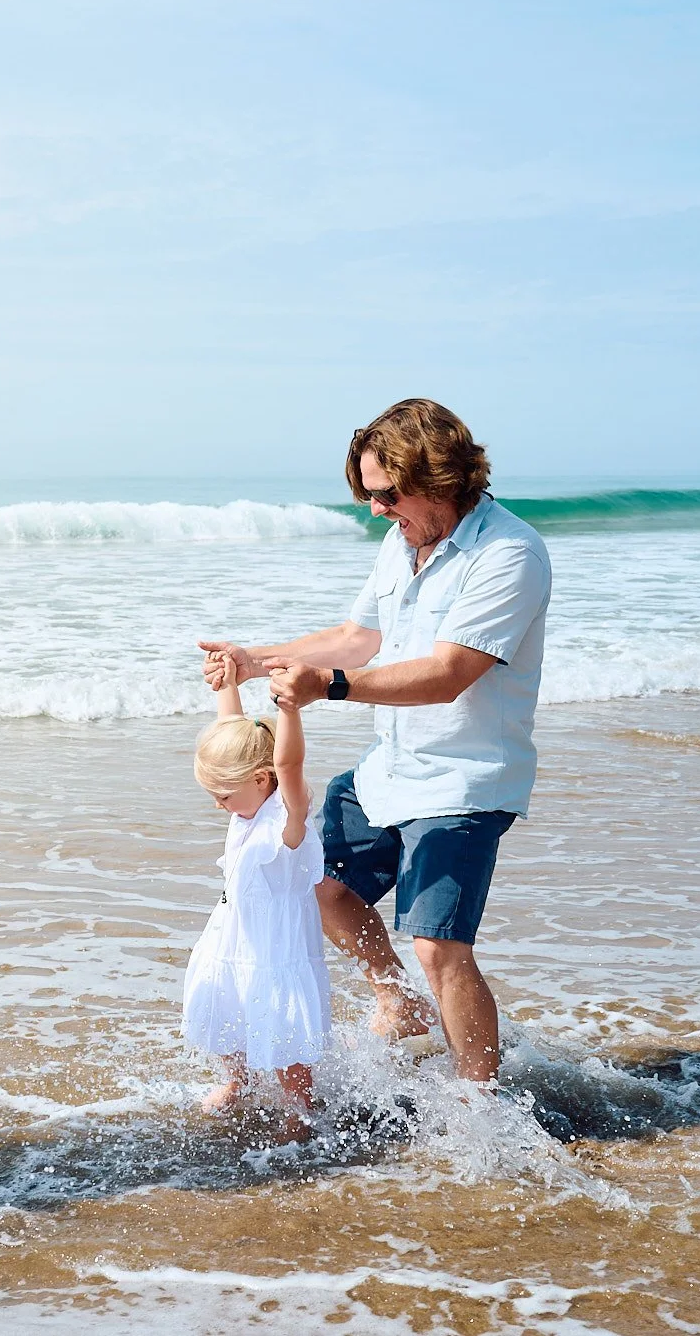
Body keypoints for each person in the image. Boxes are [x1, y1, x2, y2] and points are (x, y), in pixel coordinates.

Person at [199, 399, 549, 1084]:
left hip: (464, 777)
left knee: (440, 946)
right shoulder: (402, 542)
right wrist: (254, 659)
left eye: (386, 494)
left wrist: (329, 686)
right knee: (322, 885)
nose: (375, 510)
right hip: (390, 766)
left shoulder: (510, 553)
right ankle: (399, 1000)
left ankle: (482, 1106)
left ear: (439, 475)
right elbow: (359, 636)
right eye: (367, 494)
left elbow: (450, 674)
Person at [180, 650, 331, 1134]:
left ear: (262, 780)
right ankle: (237, 1080)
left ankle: (301, 1105)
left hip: (276, 944)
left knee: (282, 1025)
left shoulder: (286, 821)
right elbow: (234, 730)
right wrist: (227, 682)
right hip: (233, 931)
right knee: (227, 1002)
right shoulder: (245, 797)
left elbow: (290, 761)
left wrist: (289, 710)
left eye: (222, 795)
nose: (218, 805)